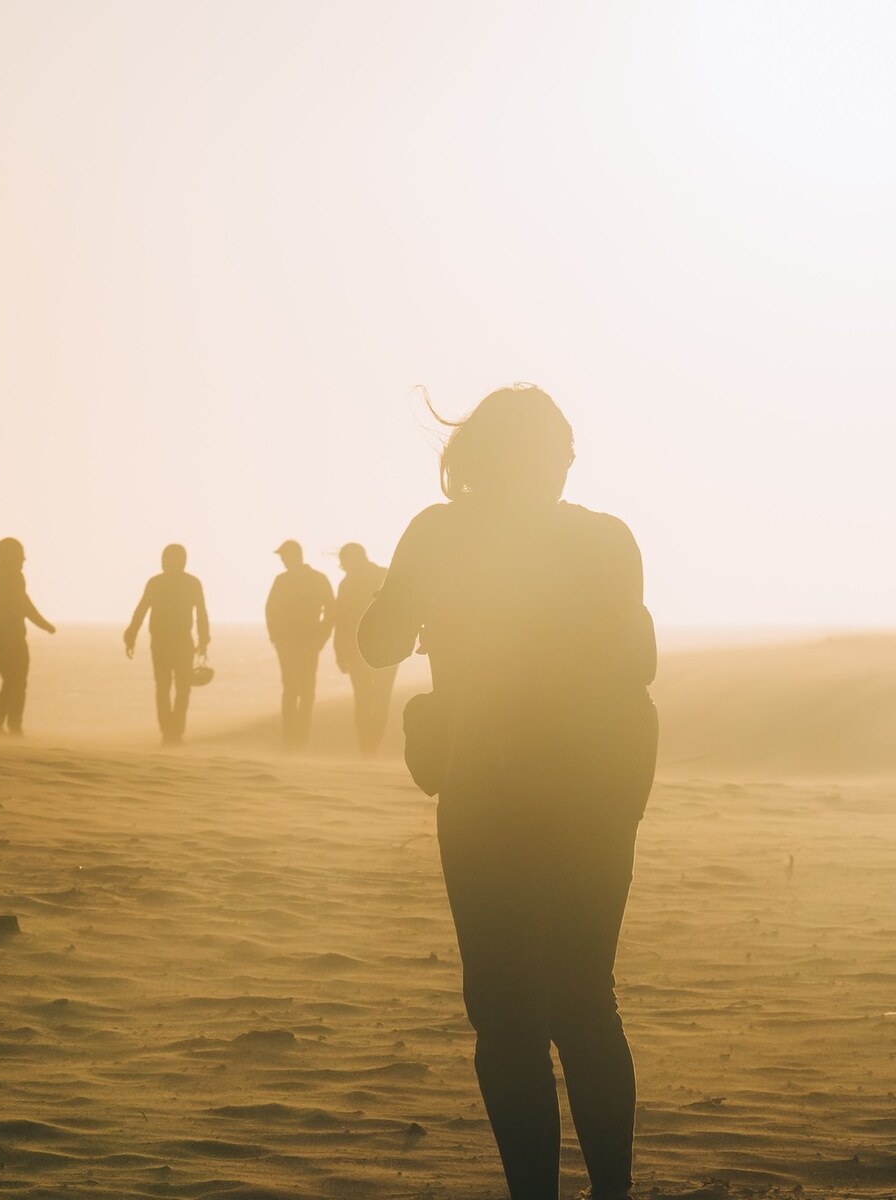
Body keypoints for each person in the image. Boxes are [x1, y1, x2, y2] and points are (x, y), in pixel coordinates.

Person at [358, 384, 657, 1200]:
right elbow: (639, 663)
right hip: (594, 792)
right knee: (583, 1001)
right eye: (558, 450)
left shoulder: (439, 533)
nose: (566, 463)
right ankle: (611, 1194)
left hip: (487, 790)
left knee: (508, 1012)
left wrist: (395, 597)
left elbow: (379, 642)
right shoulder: (605, 540)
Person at [124, 544, 210, 746]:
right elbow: (142, 609)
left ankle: (173, 732)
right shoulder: (172, 583)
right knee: (170, 687)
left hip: (176, 642)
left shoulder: (183, 583)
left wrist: (204, 640)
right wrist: (131, 634)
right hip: (167, 643)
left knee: (174, 687)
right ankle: (171, 732)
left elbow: (201, 613)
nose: (170, 563)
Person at [265, 540, 334, 751]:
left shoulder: (316, 579)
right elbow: (271, 610)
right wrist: (277, 637)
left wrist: (319, 640)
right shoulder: (283, 580)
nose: (283, 561)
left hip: (307, 643)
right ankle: (291, 737)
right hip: (289, 643)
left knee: (303, 690)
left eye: (284, 556)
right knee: (293, 689)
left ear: (295, 555)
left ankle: (299, 738)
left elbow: (331, 610)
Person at [0, 537, 56, 736]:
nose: (23, 561)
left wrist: (44, 625)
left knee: (15, 683)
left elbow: (25, 604)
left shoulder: (14, 578)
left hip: (15, 641)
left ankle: (3, 726)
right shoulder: (0, 583)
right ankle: (5, 726)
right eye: (19, 556)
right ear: (10, 558)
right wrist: (44, 625)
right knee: (14, 682)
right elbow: (20, 608)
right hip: (5, 643)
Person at [334, 543, 398, 755]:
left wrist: (340, 653)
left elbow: (341, 621)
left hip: (378, 649)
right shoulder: (382, 575)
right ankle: (368, 747)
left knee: (368, 700)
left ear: (354, 559)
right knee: (375, 699)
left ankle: (368, 747)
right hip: (379, 649)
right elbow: (341, 620)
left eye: (344, 562)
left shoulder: (381, 576)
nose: (343, 567)